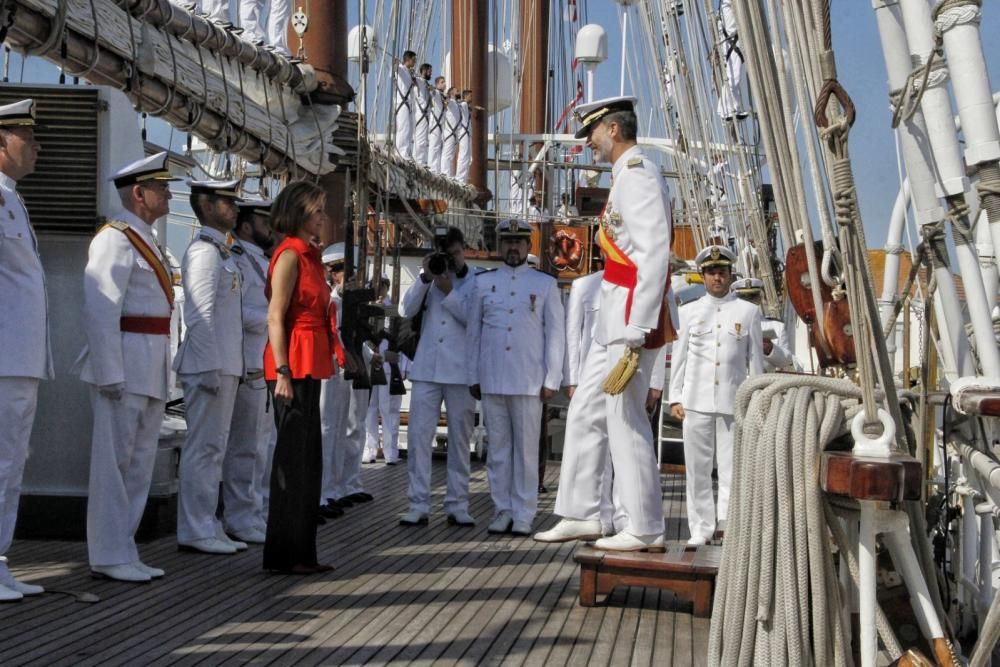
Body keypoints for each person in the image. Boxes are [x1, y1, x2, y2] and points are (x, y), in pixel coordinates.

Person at [535, 96, 675, 552]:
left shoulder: (638, 178)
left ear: (612, 130)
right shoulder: (624, 178)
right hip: (611, 319)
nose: (590, 143)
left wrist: (638, 326)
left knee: (624, 416)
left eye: (593, 133)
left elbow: (654, 254)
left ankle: (644, 524)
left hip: (631, 318)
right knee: (586, 411)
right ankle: (583, 512)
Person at [74, 153, 178, 583]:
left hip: (149, 362)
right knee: (114, 465)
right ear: (139, 193)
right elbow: (101, 310)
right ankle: (107, 553)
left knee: (137, 464)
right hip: (125, 363)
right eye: (162, 186)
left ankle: (124, 547)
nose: (169, 193)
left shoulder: (147, 238)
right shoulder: (115, 238)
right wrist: (109, 371)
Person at [468, 219, 565, 536]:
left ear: (528, 247)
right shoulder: (483, 284)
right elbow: (474, 333)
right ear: (499, 247)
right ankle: (502, 509)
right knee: (497, 451)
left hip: (528, 380)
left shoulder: (544, 284)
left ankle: (524, 513)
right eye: (507, 243)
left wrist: (552, 379)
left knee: (525, 451)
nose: (513, 248)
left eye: (519, 243)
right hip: (493, 377)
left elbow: (555, 336)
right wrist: (473, 375)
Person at [261, 180, 335, 574]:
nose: (324, 217)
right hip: (292, 363)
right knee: (291, 460)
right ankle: (283, 554)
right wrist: (283, 371)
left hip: (312, 359)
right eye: (318, 210)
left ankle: (303, 551)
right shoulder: (289, 254)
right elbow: (276, 315)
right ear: (301, 214)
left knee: (308, 460)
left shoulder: (312, 256)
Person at [667, 245, 764, 545]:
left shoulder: (749, 312)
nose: (717, 278)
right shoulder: (688, 312)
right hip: (695, 402)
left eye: (721, 272)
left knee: (731, 471)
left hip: (732, 403)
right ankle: (700, 529)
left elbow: (756, 363)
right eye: (711, 273)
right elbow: (680, 358)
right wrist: (675, 397)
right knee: (697, 470)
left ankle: (726, 527)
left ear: (730, 273)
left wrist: (755, 401)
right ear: (703, 276)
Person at [173, 179, 246, 555]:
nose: (234, 208)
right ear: (207, 206)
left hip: (225, 364)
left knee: (214, 449)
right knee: (203, 448)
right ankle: (194, 527)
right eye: (227, 202)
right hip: (210, 365)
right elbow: (198, 316)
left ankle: (208, 523)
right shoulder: (204, 253)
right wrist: (208, 369)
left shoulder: (222, 252)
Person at [0, 99, 49, 600]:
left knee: (12, 464)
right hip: (2, 358)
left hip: (20, 359)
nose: (36, 148)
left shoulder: (12, 200)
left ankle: (0, 561)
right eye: (26, 138)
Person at [398, 227, 477, 527]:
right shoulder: (430, 277)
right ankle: (418, 503)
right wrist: (424, 278)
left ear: (463, 251)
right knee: (418, 438)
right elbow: (406, 310)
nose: (450, 260)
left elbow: (473, 319)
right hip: (427, 369)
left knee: (460, 440)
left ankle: (458, 503)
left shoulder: (474, 281)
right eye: (445, 254)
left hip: (460, 372)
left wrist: (449, 291)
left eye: (454, 254)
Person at [222, 199, 274, 544]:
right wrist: (276, 320)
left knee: (262, 447)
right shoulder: (235, 260)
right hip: (247, 363)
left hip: (265, 364)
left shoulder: (264, 261)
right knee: (244, 448)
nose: (270, 228)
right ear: (245, 226)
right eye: (263, 221)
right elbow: (236, 312)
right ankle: (239, 517)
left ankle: (255, 512)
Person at [318, 243, 350, 518]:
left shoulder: (343, 297)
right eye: (338, 269)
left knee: (338, 426)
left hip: (340, 362)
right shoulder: (331, 296)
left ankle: (334, 488)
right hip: (325, 361)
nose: (343, 275)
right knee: (325, 428)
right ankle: (321, 493)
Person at [363, 277, 409, 465]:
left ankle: (391, 451)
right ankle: (370, 449)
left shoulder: (394, 309)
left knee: (389, 410)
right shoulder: (366, 307)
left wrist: (401, 365)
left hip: (389, 366)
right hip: (370, 363)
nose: (377, 290)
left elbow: (402, 337)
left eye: (379, 286)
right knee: (369, 410)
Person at [731, 276, 797, 371]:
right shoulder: (727, 325)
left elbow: (786, 361)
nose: (749, 301)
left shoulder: (777, 327)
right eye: (744, 298)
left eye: (753, 297)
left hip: (765, 382)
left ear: (760, 298)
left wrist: (770, 349)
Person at [717, 0, 748, 121]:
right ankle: (728, 109)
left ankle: (730, 107)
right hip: (732, 42)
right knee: (733, 76)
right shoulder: (726, 2)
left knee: (735, 76)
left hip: (734, 42)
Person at [395, 51, 417, 159]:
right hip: (402, 104)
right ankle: (401, 153)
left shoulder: (408, 72)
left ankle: (407, 152)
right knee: (403, 128)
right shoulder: (401, 69)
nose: (415, 62)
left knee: (409, 129)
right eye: (413, 59)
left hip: (408, 104)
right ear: (407, 59)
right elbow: (396, 69)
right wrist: (396, 63)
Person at [411, 64, 433, 166]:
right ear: (424, 71)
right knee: (420, 138)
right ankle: (418, 161)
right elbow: (413, 80)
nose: (431, 73)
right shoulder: (419, 81)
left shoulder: (426, 84)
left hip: (427, 114)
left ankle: (422, 161)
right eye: (429, 71)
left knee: (424, 139)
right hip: (421, 113)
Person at [426, 76, 447, 173]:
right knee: (434, 146)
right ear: (437, 84)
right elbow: (432, 91)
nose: (444, 84)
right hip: (435, 124)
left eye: (444, 82)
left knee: (439, 147)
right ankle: (432, 168)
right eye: (442, 82)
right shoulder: (436, 93)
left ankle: (437, 169)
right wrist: (432, 88)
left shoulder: (444, 96)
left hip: (441, 125)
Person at [439, 87, 461, 177]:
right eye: (457, 91)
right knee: (447, 154)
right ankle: (445, 173)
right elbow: (446, 101)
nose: (459, 92)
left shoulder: (457, 104)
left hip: (455, 133)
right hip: (449, 132)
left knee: (451, 156)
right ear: (452, 93)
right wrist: (446, 97)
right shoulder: (451, 102)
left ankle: (449, 174)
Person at [455, 90, 473, 183]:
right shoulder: (462, 104)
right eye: (470, 96)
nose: (472, 97)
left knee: (468, 157)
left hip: (468, 133)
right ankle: (460, 177)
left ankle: (464, 177)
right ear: (465, 96)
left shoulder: (466, 106)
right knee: (463, 154)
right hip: (464, 132)